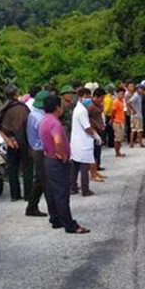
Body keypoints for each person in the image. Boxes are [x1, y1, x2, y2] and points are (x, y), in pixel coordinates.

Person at [39, 95, 90, 234]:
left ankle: (56, 219)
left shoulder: (44, 120)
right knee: (62, 193)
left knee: (52, 192)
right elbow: (58, 140)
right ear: (57, 108)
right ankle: (70, 224)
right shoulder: (55, 123)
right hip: (56, 161)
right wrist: (62, 155)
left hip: (47, 159)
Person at [0, 84, 33, 202]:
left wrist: (9, 139)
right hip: (24, 140)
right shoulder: (22, 108)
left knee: (12, 168)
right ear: (16, 94)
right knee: (27, 166)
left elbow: (0, 127)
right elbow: (28, 125)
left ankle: (15, 194)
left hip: (10, 142)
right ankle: (28, 194)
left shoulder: (3, 108)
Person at [25, 90, 50, 218]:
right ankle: (53, 209)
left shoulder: (32, 114)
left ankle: (32, 206)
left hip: (34, 148)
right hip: (40, 150)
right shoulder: (41, 118)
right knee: (44, 180)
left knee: (39, 180)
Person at [70, 88, 98, 196]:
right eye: (87, 97)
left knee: (75, 165)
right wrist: (95, 136)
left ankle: (73, 187)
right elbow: (87, 127)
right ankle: (85, 189)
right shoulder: (82, 110)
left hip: (77, 141)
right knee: (84, 166)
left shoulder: (78, 108)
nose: (89, 99)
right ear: (82, 97)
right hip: (82, 142)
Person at [89, 88, 107, 181]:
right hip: (94, 130)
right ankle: (93, 173)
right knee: (94, 153)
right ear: (95, 97)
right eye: (101, 98)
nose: (102, 100)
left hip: (100, 129)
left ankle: (95, 171)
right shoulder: (90, 106)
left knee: (98, 152)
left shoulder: (98, 105)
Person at [111, 88, 127, 157]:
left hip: (121, 121)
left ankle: (118, 151)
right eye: (120, 94)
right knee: (117, 139)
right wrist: (112, 120)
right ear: (117, 94)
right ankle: (117, 152)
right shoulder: (116, 102)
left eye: (123, 94)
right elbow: (113, 112)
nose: (122, 95)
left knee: (120, 138)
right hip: (117, 122)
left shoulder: (122, 101)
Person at [103, 83, 116, 148]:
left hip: (107, 115)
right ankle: (111, 143)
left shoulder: (107, 97)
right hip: (109, 115)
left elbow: (106, 108)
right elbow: (107, 108)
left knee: (108, 130)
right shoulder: (109, 97)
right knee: (110, 130)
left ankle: (107, 142)